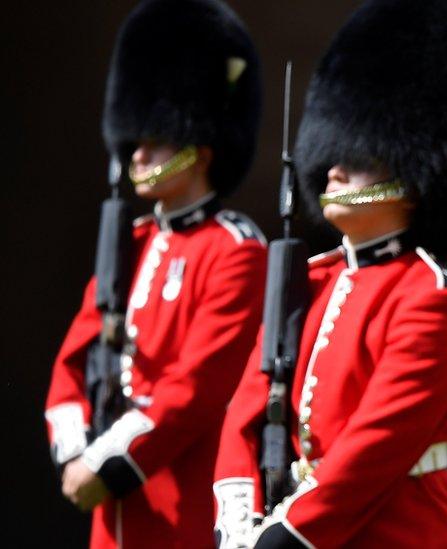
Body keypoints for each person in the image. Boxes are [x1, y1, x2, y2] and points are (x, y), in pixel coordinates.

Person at [211, 0, 447, 547]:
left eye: (361, 158)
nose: (334, 169)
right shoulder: (308, 286)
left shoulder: (430, 301)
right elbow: (246, 410)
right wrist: (238, 521)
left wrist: (285, 533)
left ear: (411, 174)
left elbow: (374, 449)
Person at [44, 0, 265, 547]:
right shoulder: (131, 244)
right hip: (111, 511)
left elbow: (194, 388)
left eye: (155, 138)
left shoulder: (235, 250)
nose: (136, 154)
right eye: (134, 138)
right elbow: (72, 360)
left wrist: (107, 463)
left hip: (181, 506)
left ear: (199, 146)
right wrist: (75, 451)